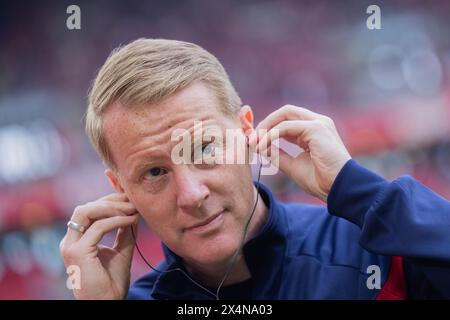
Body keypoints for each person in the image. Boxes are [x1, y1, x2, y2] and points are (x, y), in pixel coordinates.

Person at [59, 38, 450, 300]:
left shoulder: (373, 254)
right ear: (121, 188)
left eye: (205, 148)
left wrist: (360, 191)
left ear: (247, 132)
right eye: (155, 173)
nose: (193, 195)